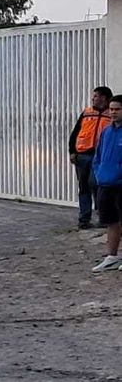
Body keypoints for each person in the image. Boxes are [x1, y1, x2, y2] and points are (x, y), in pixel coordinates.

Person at [69, 86, 113, 229]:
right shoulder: (87, 112)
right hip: (82, 154)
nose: (93, 98)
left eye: (96, 96)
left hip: (99, 156)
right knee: (84, 187)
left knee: (96, 184)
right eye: (93, 96)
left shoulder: (111, 114)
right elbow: (75, 132)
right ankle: (84, 219)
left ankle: (102, 216)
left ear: (104, 98)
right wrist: (72, 151)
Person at [91, 95, 122, 272]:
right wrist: (99, 173)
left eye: (117, 109)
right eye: (111, 109)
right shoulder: (106, 131)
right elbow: (98, 156)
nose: (113, 112)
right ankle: (111, 257)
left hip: (120, 184)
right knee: (111, 221)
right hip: (105, 183)